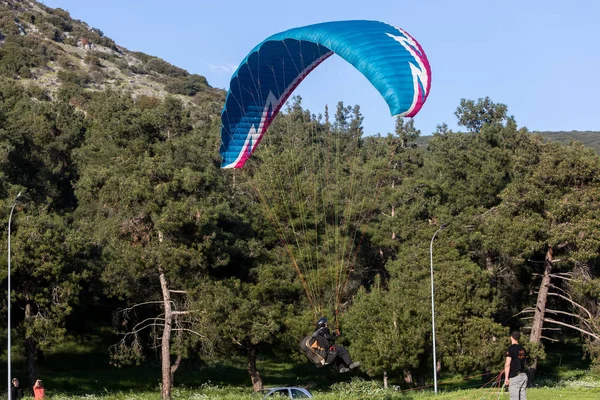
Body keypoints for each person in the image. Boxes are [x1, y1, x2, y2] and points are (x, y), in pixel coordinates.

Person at [504, 331, 527, 400]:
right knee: (522, 397)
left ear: (511, 338)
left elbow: (507, 364)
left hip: (515, 377)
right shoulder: (523, 349)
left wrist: (506, 378)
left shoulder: (510, 349)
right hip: (524, 376)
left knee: (514, 398)